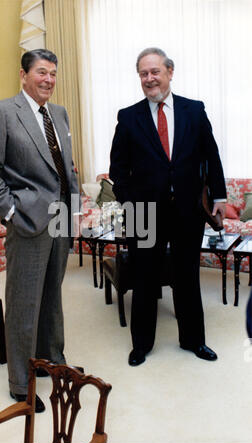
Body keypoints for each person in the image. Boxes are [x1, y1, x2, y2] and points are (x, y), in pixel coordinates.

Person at [0, 49, 80, 411]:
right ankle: (21, 382)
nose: (48, 79)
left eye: (53, 73)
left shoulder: (61, 113)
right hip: (28, 221)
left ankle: (51, 359)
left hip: (61, 219)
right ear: (23, 75)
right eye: (41, 72)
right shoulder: (2, 112)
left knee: (52, 296)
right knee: (24, 301)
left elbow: (67, 166)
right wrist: (11, 211)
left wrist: (75, 209)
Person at [109, 47, 227, 367]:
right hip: (143, 214)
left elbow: (211, 156)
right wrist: (130, 203)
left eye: (155, 71)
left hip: (187, 210)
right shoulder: (128, 116)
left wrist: (219, 197)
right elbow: (117, 171)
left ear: (169, 72)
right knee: (144, 277)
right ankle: (141, 345)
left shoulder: (194, 110)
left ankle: (193, 341)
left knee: (187, 276)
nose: (150, 78)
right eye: (143, 74)